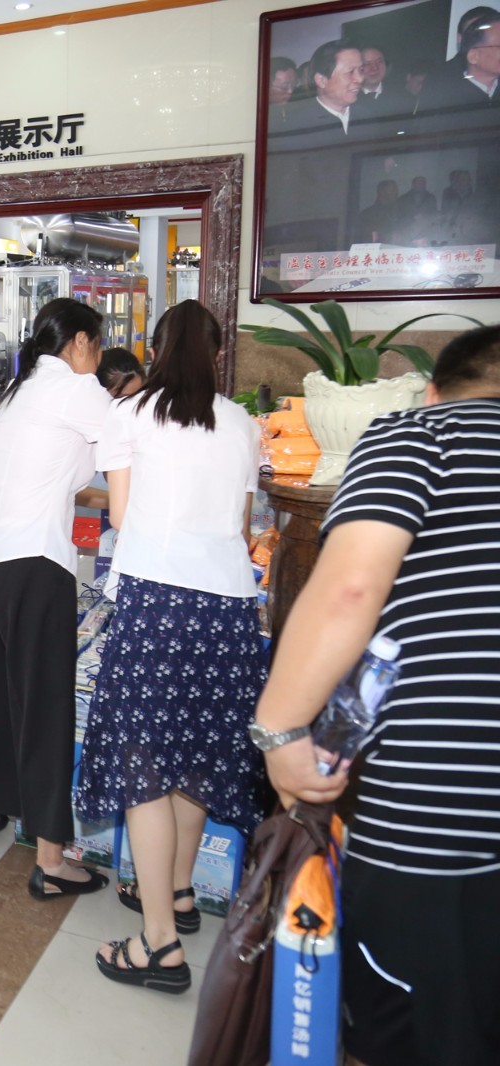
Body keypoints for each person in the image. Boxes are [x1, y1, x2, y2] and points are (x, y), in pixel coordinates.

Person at [252, 324, 500, 1064]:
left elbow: (350, 588)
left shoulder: (419, 437)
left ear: (434, 392)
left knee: (418, 1022)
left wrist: (279, 733)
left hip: (442, 802)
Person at [73, 301, 267, 995]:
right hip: (229, 607)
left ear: (154, 350)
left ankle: (158, 943)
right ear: (217, 354)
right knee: (198, 754)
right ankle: (179, 892)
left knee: (144, 762)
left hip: (158, 600)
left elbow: (123, 515)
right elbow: (241, 526)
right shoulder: (242, 424)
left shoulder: (129, 414)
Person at [0, 297, 112, 899]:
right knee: (45, 702)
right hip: (30, 562)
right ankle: (51, 859)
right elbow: (133, 441)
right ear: (79, 342)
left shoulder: (16, 394)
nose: (99, 359)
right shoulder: (76, 388)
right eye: (98, 345)